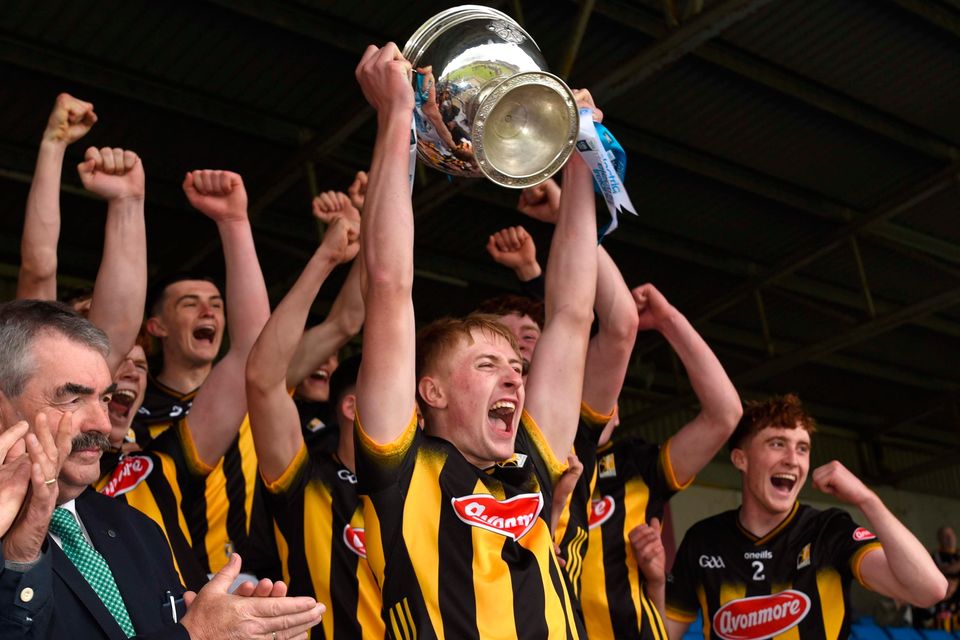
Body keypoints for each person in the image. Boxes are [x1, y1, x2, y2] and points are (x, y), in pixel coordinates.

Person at [353, 42, 598, 637]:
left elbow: (571, 313)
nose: (516, 375)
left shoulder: (530, 471)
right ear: (429, 391)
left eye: (515, 365)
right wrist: (393, 118)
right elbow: (387, 285)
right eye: (488, 363)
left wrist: (580, 157)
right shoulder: (400, 470)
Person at [0, 299, 324, 639]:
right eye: (72, 399)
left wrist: (242, 630)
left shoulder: (137, 527)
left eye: (105, 399)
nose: (103, 424)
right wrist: (196, 635)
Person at [101, 170, 272, 582]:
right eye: (119, 362)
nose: (128, 375)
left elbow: (254, 350)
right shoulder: (38, 472)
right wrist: (125, 204)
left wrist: (234, 224)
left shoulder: (154, 465)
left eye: (139, 367)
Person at [665, 394, 947, 640]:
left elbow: (930, 590)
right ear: (741, 459)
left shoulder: (829, 530)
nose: (792, 459)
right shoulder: (703, 540)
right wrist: (654, 582)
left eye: (802, 448)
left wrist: (867, 499)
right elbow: (664, 634)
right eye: (777, 444)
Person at [246, 212, 383, 639]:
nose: (410, 412)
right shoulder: (308, 482)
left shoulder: (433, 478)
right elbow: (264, 381)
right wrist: (325, 259)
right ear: (350, 406)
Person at [18, 93, 147, 376]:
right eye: (83, 316)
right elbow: (38, 269)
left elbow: (122, 322)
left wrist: (128, 200)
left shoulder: (92, 378)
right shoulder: (33, 367)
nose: (92, 328)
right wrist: (54, 144)